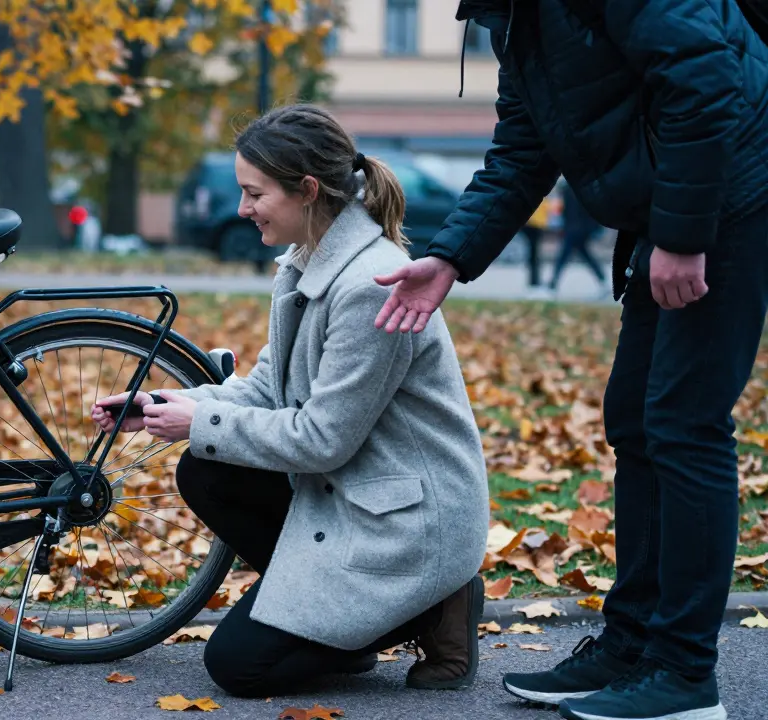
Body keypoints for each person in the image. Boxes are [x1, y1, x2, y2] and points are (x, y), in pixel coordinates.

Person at [372, 2, 768, 719]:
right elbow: (524, 152)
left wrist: (684, 235)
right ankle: (632, 643)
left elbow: (707, 81)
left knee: (685, 423)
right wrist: (449, 257)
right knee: (638, 420)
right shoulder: (515, 18)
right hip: (677, 205)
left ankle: (683, 675)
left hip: (735, 191)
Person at [90, 104, 491, 699]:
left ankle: (433, 605)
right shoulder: (305, 263)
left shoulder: (368, 285)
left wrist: (202, 419)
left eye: (254, 193)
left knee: (238, 668)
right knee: (208, 467)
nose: (242, 209)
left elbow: (322, 440)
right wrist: (161, 403)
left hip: (406, 521)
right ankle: (340, 635)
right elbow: (266, 391)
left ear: (306, 191)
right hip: (351, 493)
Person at [549, 181, 610, 298]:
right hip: (577, 229)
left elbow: (567, 212)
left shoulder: (569, 189)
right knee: (584, 255)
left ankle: (552, 284)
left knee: (564, 256)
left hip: (574, 230)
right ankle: (603, 281)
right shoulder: (579, 188)